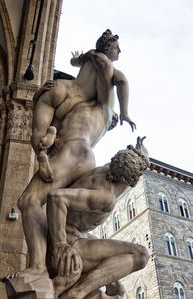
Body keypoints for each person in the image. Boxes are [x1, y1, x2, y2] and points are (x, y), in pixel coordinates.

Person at [12, 29, 136, 281]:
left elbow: (90, 64)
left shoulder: (64, 91)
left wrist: (81, 58)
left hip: (71, 151)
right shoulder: (102, 106)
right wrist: (124, 112)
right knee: (52, 210)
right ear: (108, 48)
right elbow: (118, 79)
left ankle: (37, 267)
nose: (119, 52)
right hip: (80, 155)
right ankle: (49, 262)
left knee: (29, 202)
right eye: (116, 48)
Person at [46, 137, 150, 299]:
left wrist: (140, 154)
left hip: (75, 236)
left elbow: (135, 161)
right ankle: (76, 293)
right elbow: (56, 198)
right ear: (131, 181)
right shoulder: (106, 198)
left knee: (117, 280)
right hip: (70, 242)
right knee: (141, 255)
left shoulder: (107, 169)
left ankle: (92, 291)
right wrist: (60, 245)